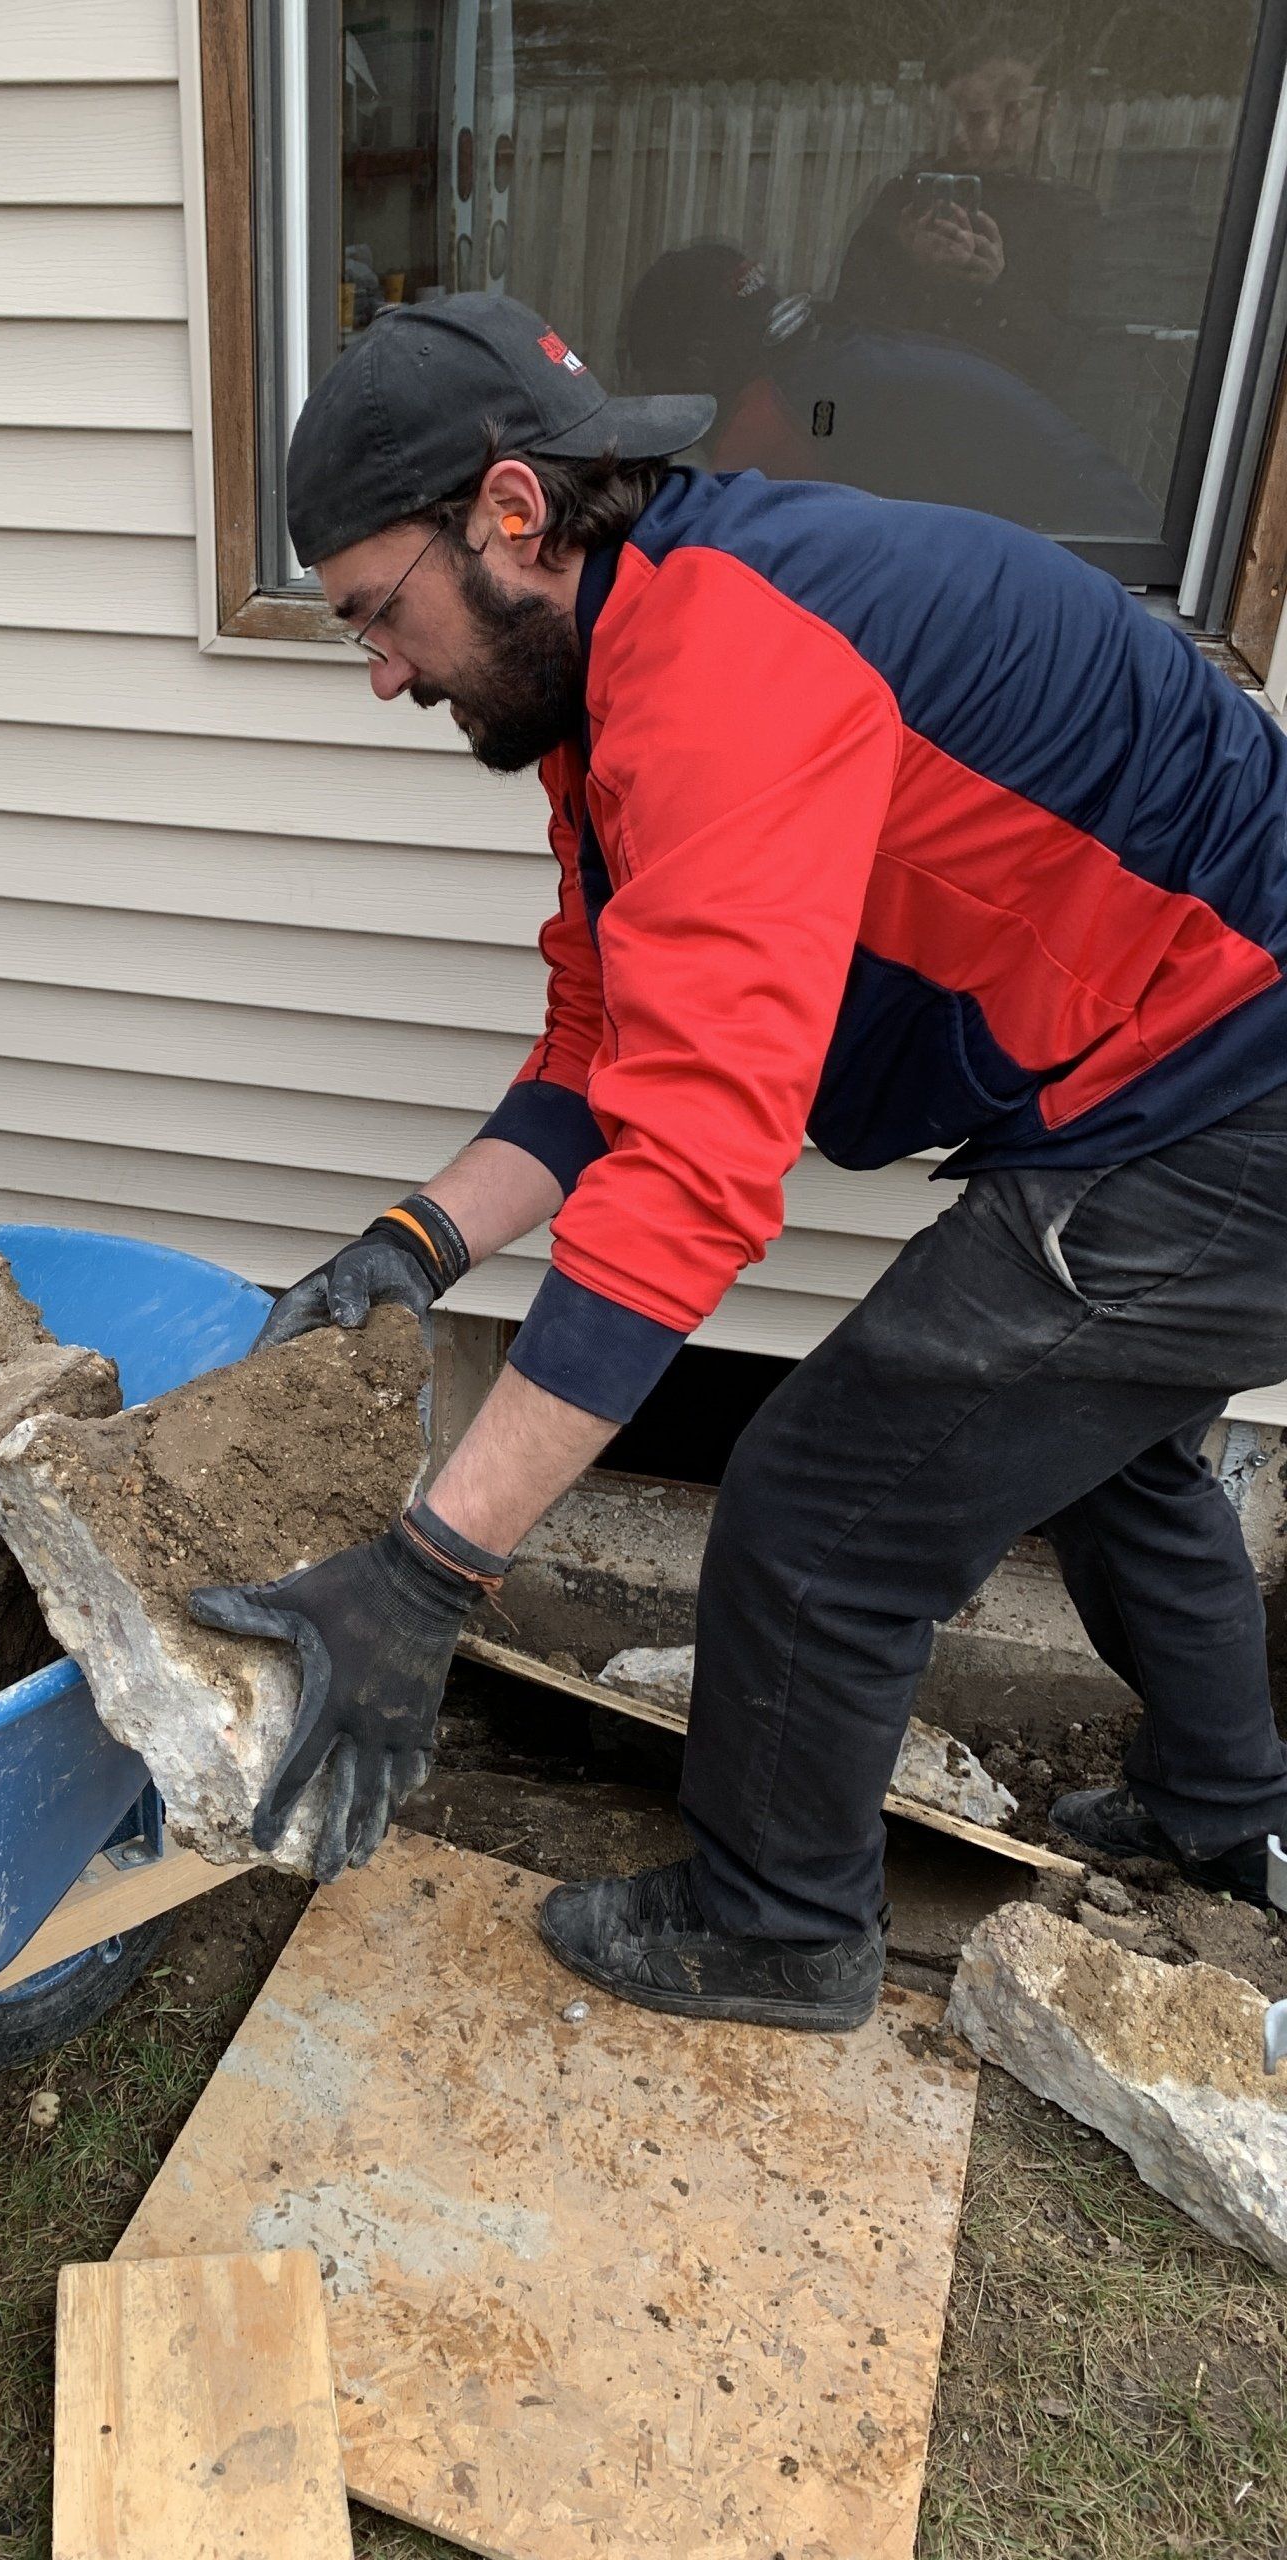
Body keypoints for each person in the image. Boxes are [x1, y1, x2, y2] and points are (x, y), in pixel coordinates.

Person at [187, 291, 1287, 2035]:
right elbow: (605, 1034)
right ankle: (1229, 1814)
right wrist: (419, 1241)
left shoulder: (726, 668)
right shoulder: (615, 669)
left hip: (1234, 1094)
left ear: (513, 514)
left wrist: (430, 1572)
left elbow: (699, 1166)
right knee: (1098, 1437)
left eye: (379, 614)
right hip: (1175, 1056)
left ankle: (781, 1928)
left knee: (822, 1510)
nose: (384, 671)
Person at [621, 240, 1156, 540]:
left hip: (1103, 563)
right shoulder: (843, 353)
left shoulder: (781, 407)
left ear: (697, 364)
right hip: (1115, 547)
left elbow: (719, 552)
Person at [832, 42, 1099, 402]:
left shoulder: (1066, 212)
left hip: (1007, 424)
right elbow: (845, 332)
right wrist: (907, 266)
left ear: (1046, 109)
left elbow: (1076, 362)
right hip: (901, 410)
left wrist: (999, 286)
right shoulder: (903, 197)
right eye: (947, 117)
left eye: (980, 117)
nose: (957, 136)